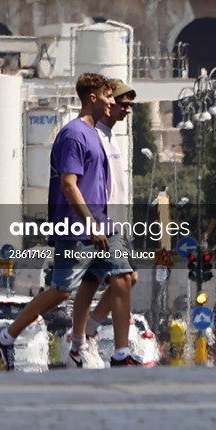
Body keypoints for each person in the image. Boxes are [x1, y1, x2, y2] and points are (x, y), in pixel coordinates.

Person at [0, 73, 138, 370]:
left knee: (123, 278)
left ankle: (121, 354)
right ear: (93, 99)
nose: (113, 103)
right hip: (77, 227)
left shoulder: (96, 135)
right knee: (61, 290)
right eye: (109, 97)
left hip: (103, 225)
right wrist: (91, 223)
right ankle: (6, 337)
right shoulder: (74, 134)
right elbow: (70, 185)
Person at [66, 78, 140, 369]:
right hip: (102, 222)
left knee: (96, 280)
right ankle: (120, 352)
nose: (127, 110)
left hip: (116, 223)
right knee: (123, 279)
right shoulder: (93, 135)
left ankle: (82, 335)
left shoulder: (112, 138)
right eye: (123, 104)